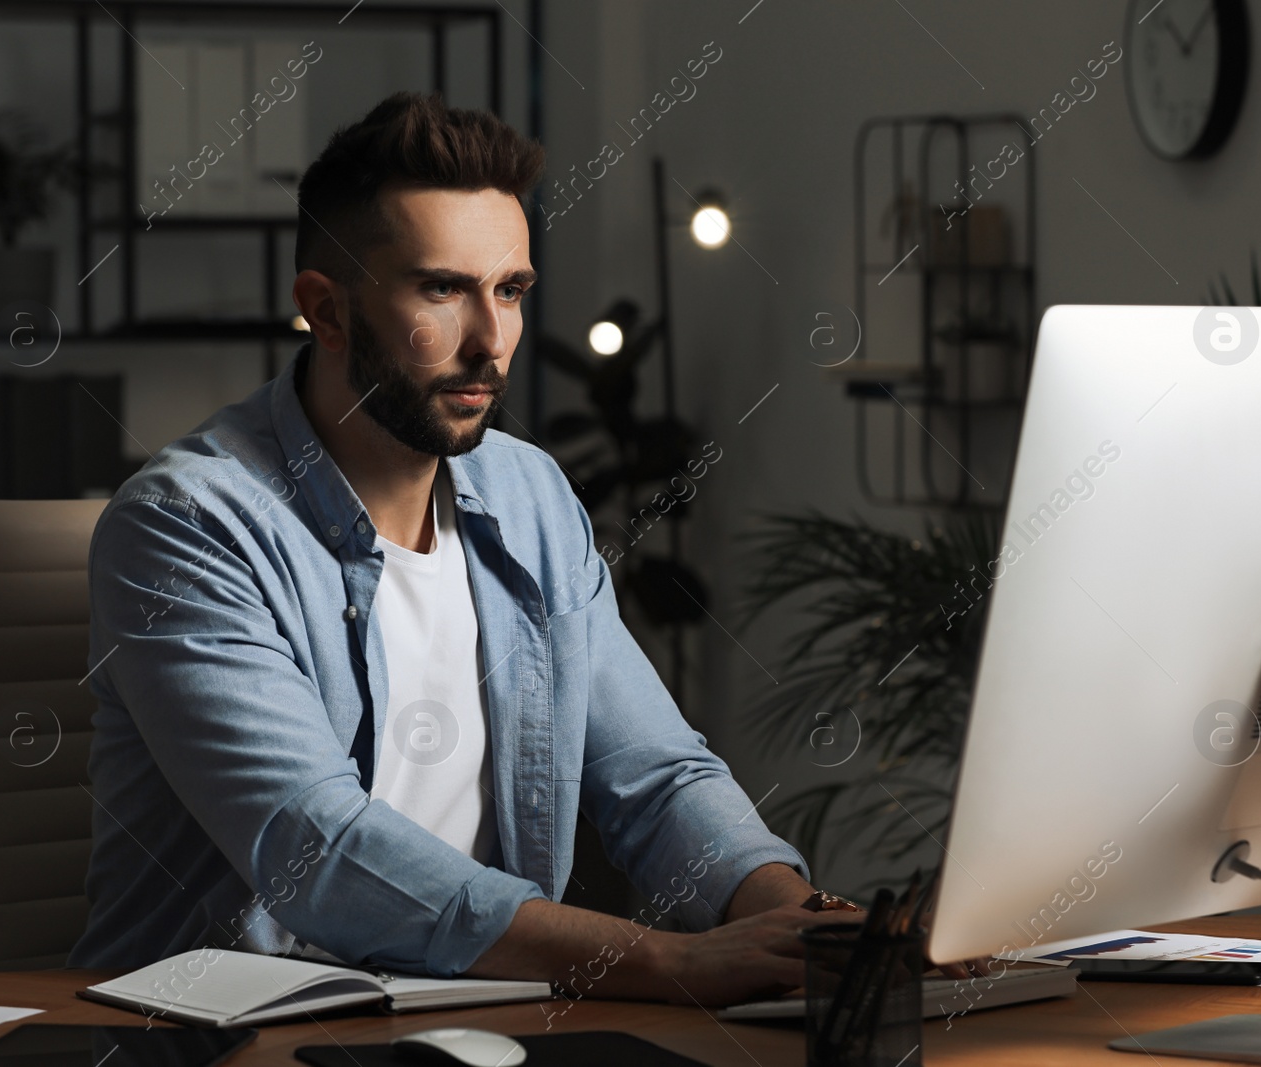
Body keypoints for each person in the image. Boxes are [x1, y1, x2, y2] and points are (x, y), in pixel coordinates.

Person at [68, 92, 856, 1005]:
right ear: (326, 310)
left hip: (485, 1020)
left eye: (512, 290)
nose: (492, 342)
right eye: (442, 290)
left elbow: (655, 776)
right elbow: (313, 849)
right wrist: (665, 962)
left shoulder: (530, 496)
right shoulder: (186, 525)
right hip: (230, 1034)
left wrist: (802, 924)